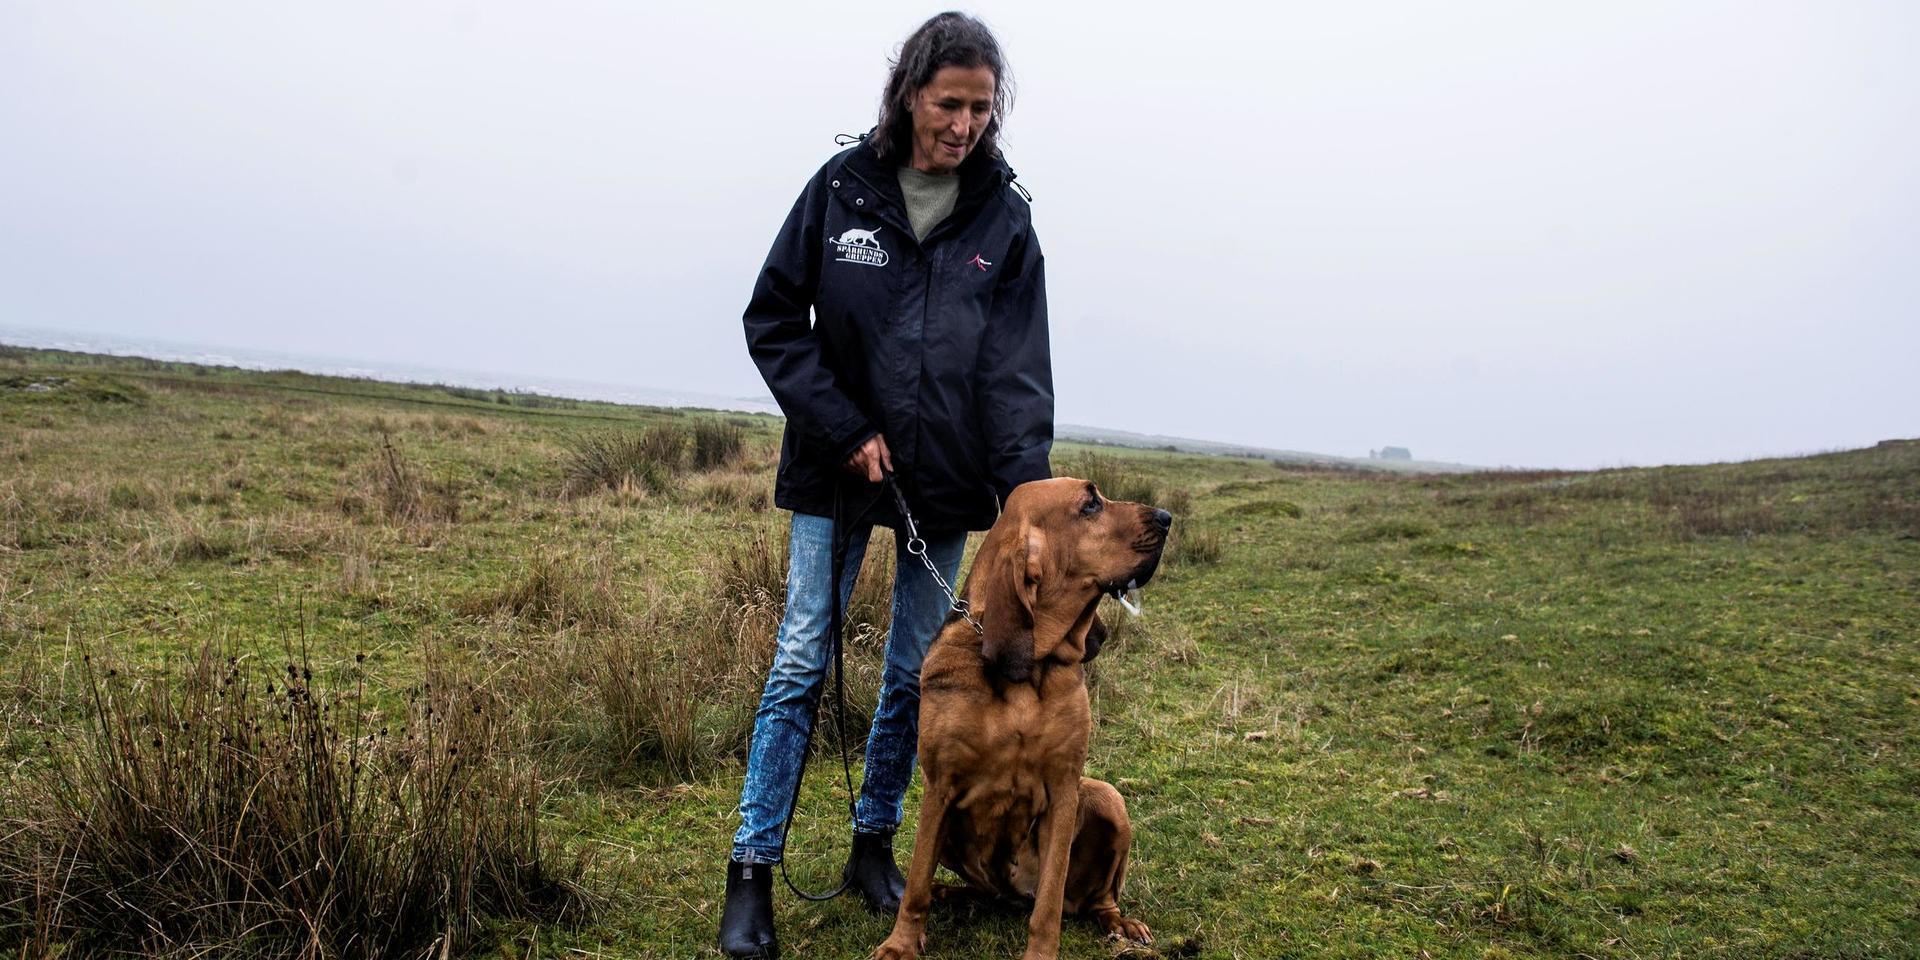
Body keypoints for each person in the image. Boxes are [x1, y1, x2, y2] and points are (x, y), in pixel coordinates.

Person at [721, 11, 1052, 958]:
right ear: (911, 94)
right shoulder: (840, 190)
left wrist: (1024, 510)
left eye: (982, 109)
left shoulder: (1005, 219)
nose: (964, 125)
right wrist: (843, 426)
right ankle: (752, 872)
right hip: (834, 473)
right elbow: (773, 318)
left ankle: (875, 846)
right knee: (799, 661)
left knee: (916, 672)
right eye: (950, 104)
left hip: (941, 491)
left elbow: (1016, 377)